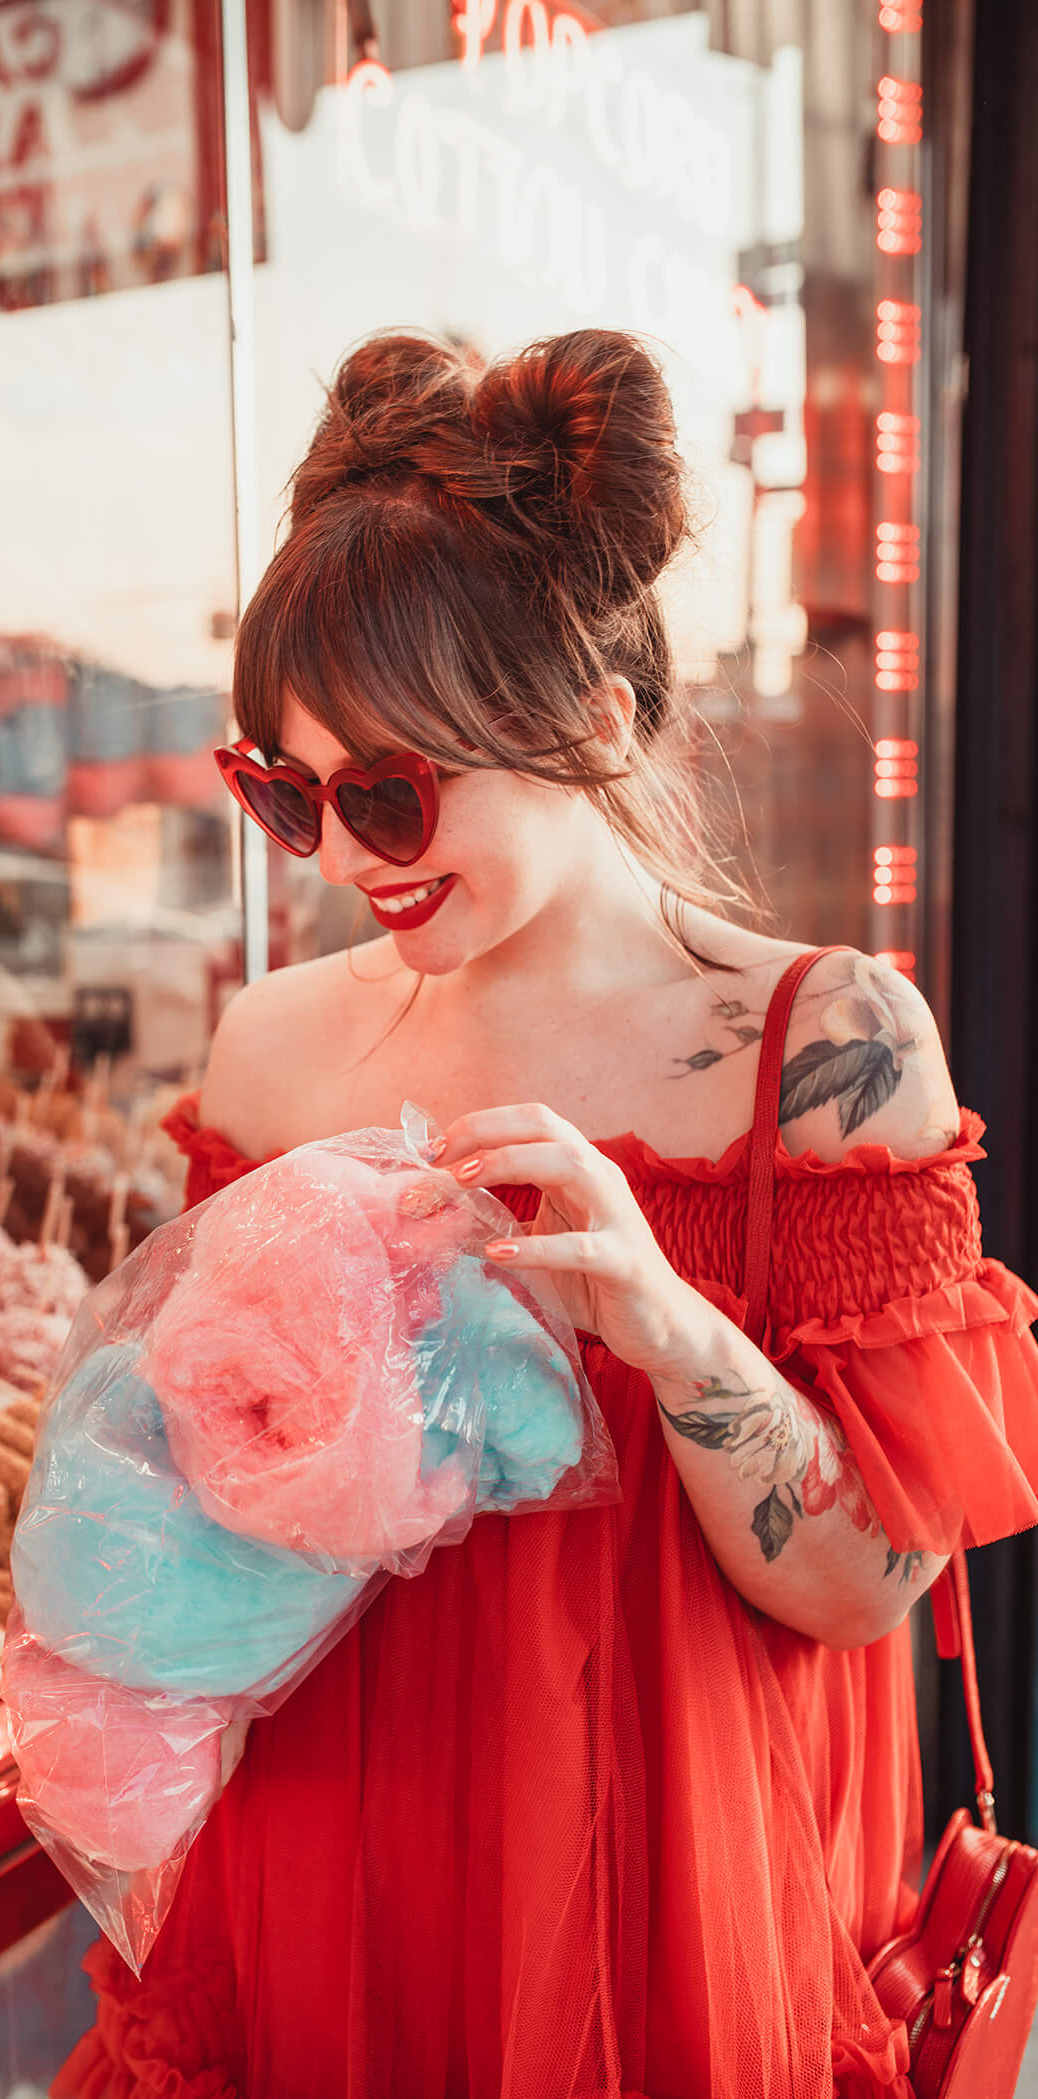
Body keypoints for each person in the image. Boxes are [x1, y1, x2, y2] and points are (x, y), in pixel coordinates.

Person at [52, 330, 1038, 2099]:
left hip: (675, 1892)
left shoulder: (818, 1045)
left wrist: (662, 1321)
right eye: (288, 793)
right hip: (325, 1876)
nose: (350, 862)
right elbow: (201, 1515)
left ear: (588, 714)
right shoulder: (273, 1051)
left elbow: (865, 1586)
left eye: (390, 792)